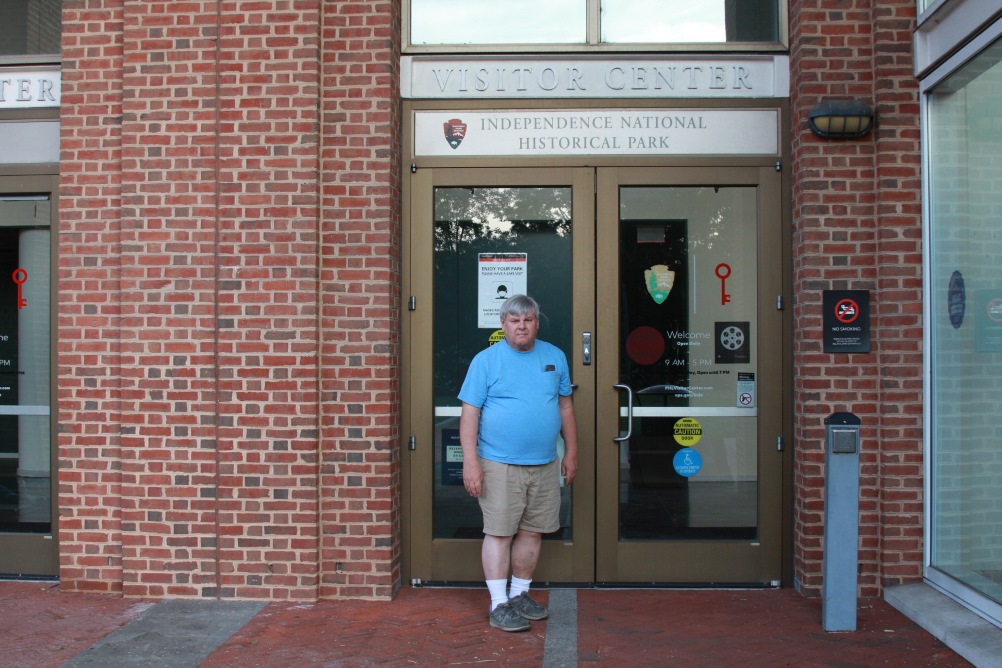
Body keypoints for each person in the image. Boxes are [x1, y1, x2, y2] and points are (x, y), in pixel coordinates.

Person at [458, 294, 579, 632]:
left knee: (532, 532)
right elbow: (470, 413)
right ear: (504, 324)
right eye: (514, 320)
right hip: (499, 462)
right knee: (498, 533)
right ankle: (498, 604)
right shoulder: (486, 361)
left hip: (544, 462)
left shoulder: (554, 356)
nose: (521, 326)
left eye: (527, 320)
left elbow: (566, 407)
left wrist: (571, 452)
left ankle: (520, 594)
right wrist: (471, 462)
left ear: (536, 323)